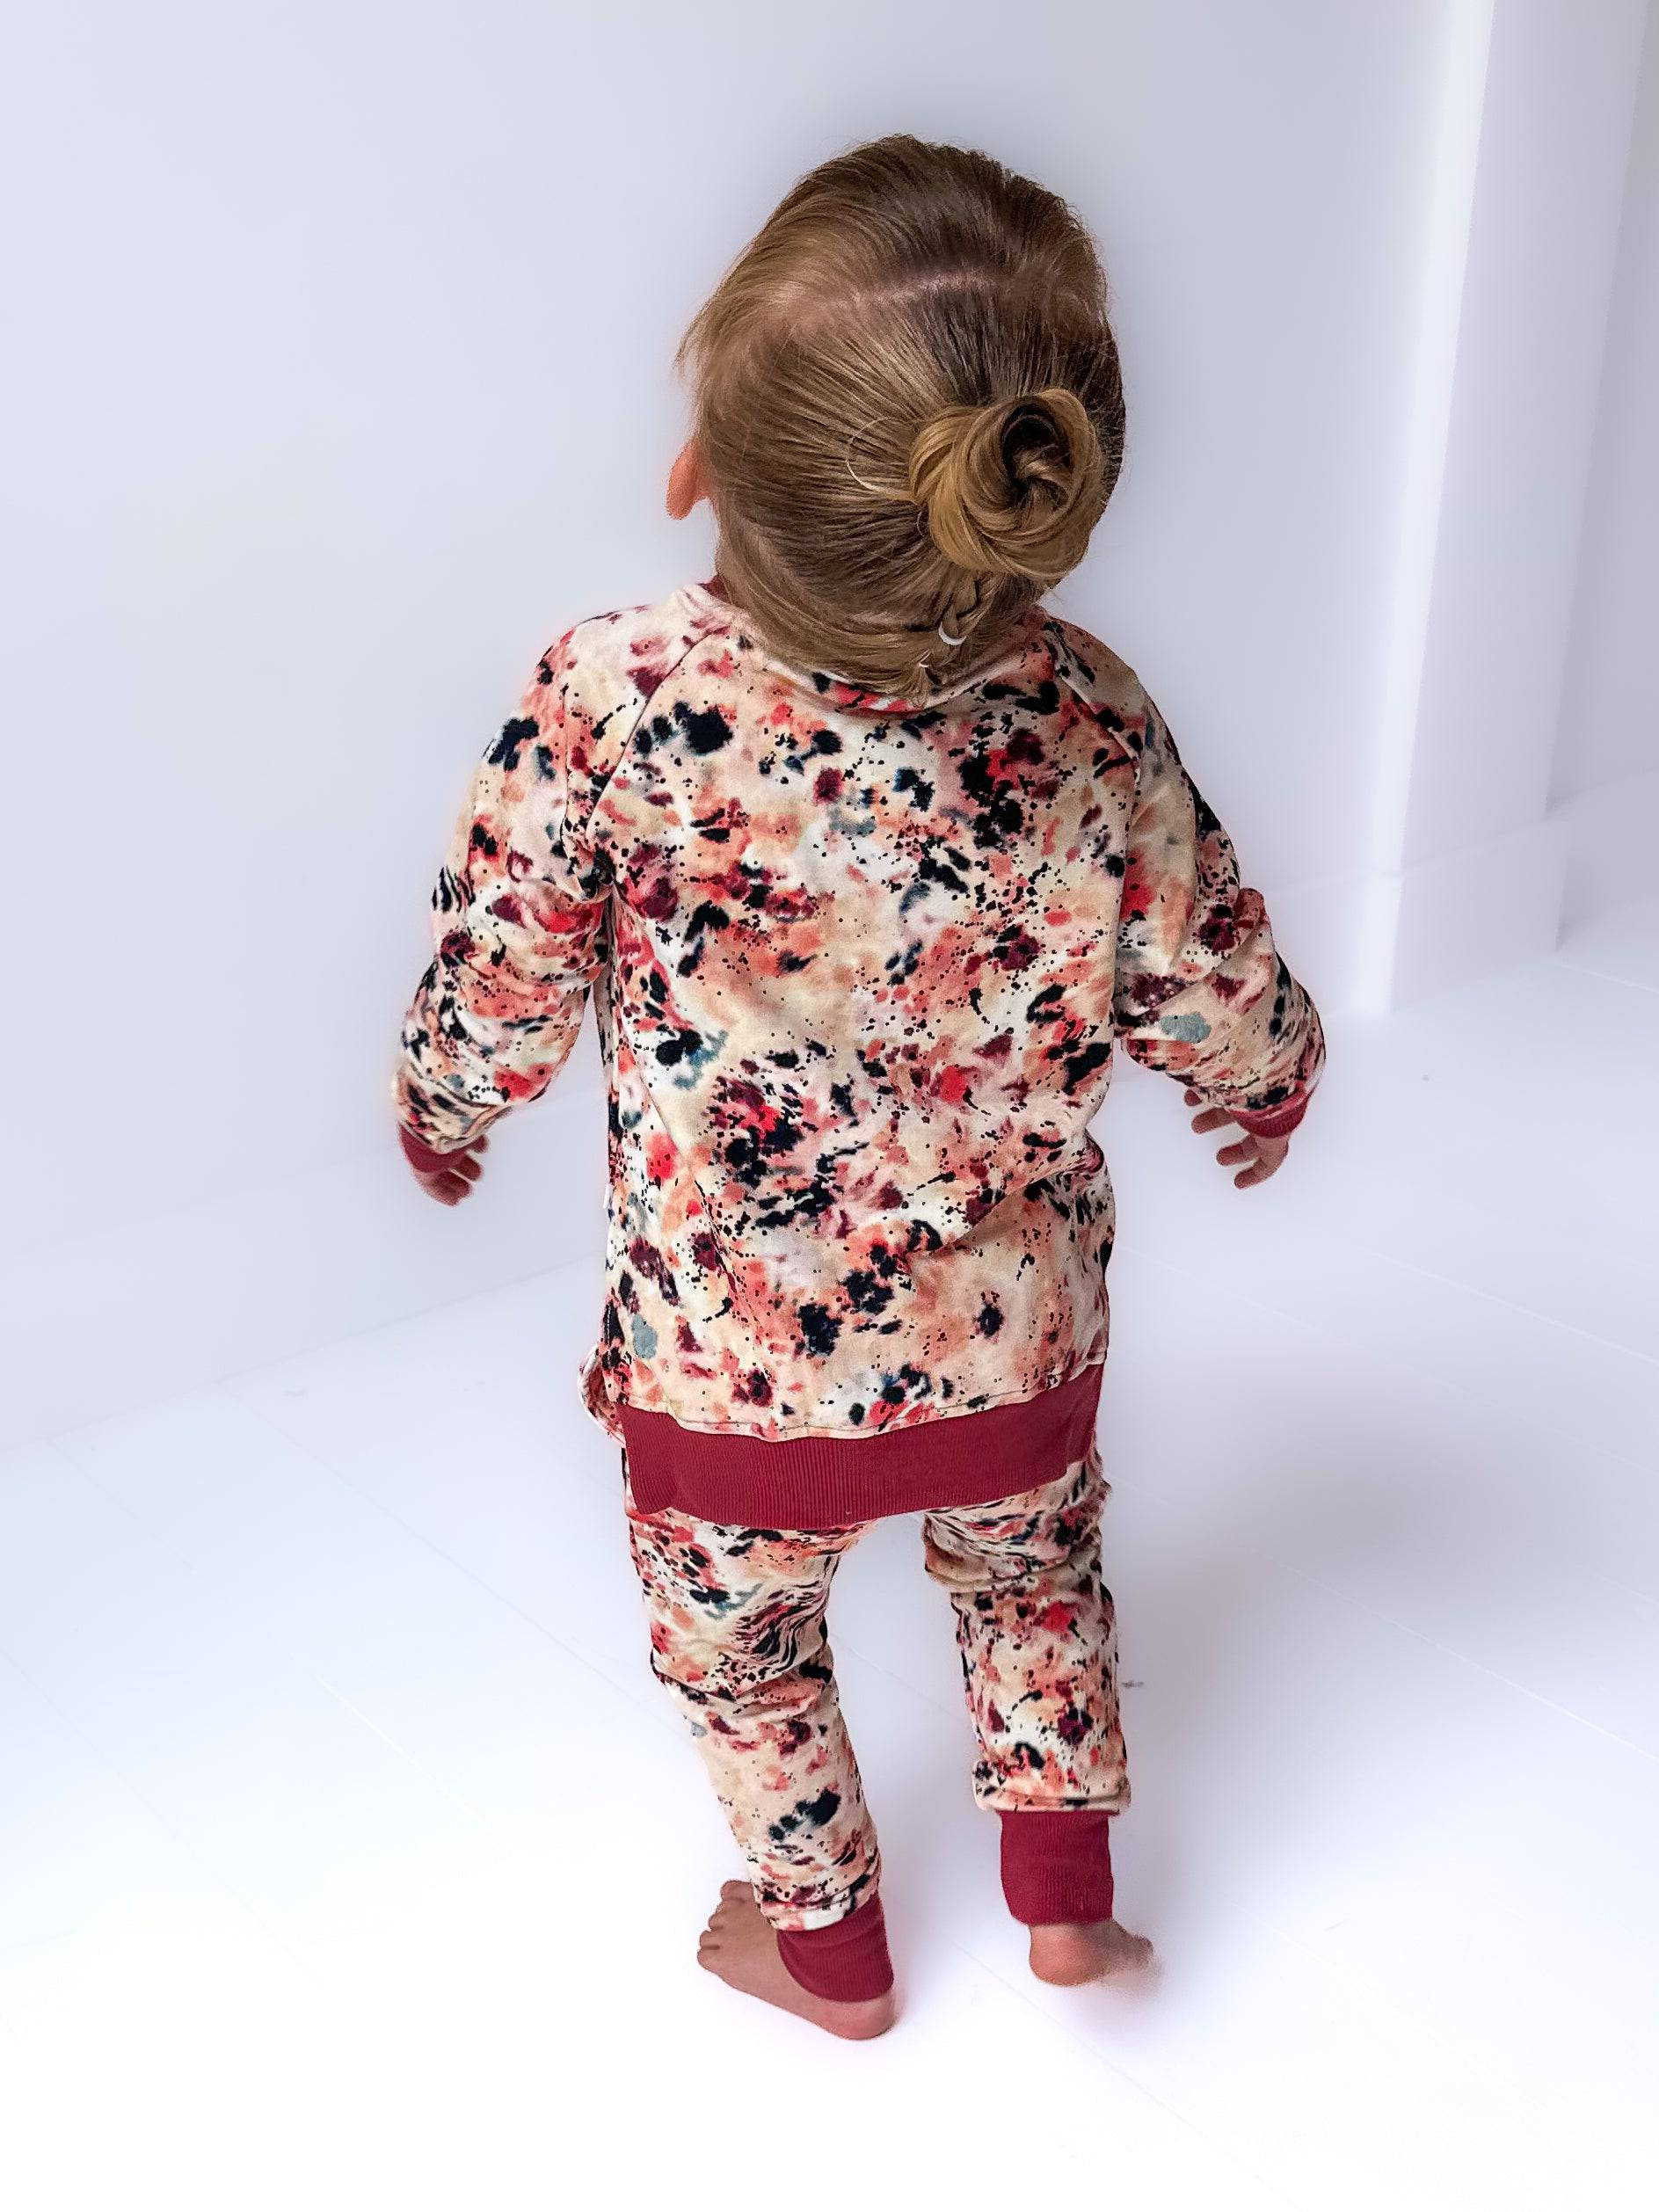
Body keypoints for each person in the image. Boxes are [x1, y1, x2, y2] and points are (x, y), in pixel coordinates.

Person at [391, 135, 1325, 2041]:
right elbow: (1205, 957)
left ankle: (825, 1950)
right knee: (1034, 1576)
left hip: (733, 1367)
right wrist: (1266, 1081)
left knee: (742, 1651)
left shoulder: (619, 699)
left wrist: (448, 1106)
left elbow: (502, 961)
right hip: (1012, 1342)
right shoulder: (1086, 712)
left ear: (702, 472)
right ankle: (1063, 1906)